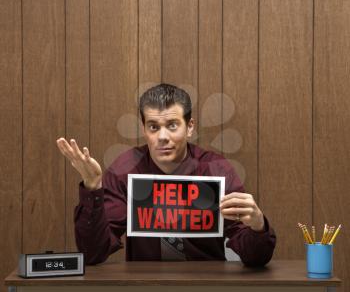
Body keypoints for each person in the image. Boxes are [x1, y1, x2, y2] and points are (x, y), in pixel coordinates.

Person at [56, 83, 276, 266]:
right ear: (144, 130)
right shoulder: (125, 169)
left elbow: (255, 258)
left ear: (189, 127)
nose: (162, 136)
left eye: (172, 125)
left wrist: (258, 226)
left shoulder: (215, 168)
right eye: (153, 127)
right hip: (143, 291)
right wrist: (92, 187)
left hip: (208, 289)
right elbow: (93, 253)